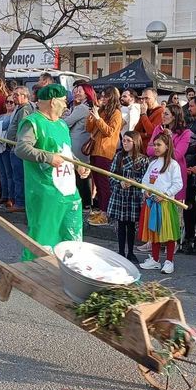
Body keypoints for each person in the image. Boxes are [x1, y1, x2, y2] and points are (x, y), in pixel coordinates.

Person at [14, 84, 84, 260]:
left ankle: (70, 270)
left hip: (68, 190)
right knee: (43, 236)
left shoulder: (61, 124)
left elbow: (65, 151)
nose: (66, 106)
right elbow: (21, 148)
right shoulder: (33, 122)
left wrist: (78, 164)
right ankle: (33, 271)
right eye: (63, 101)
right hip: (45, 191)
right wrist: (47, 157)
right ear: (53, 102)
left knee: (72, 235)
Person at [138, 131, 184, 274]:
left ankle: (169, 261)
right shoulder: (153, 164)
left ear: (167, 146)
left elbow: (178, 184)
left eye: (159, 145)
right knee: (154, 232)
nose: (156, 147)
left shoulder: (173, 165)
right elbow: (145, 181)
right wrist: (145, 191)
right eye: (154, 145)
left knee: (168, 232)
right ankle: (155, 260)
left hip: (164, 204)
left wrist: (166, 195)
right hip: (151, 203)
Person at [107, 131, 148, 263]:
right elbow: (111, 174)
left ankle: (130, 252)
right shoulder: (118, 156)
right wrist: (120, 182)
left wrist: (133, 182)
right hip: (120, 195)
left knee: (131, 226)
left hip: (133, 196)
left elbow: (145, 178)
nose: (125, 143)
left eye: (128, 141)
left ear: (135, 142)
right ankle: (120, 251)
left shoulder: (143, 159)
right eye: (123, 140)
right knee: (120, 224)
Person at [86, 87, 123, 226]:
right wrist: (91, 116)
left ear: (112, 97)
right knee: (97, 181)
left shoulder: (117, 113)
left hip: (105, 152)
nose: (103, 99)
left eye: (106, 96)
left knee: (104, 183)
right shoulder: (102, 110)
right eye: (102, 96)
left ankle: (105, 213)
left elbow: (110, 132)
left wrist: (98, 119)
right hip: (95, 150)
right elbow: (88, 128)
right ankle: (101, 210)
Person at [63, 83, 96, 210]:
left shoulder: (82, 108)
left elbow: (67, 123)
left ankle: (85, 203)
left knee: (81, 174)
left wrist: (61, 117)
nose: (76, 93)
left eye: (80, 91)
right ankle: (87, 203)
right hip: (83, 141)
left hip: (77, 143)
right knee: (84, 173)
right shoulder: (88, 107)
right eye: (75, 90)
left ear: (87, 92)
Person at [4, 86, 35, 213]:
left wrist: (17, 144)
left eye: (17, 95)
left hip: (18, 148)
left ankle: (20, 202)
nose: (14, 97)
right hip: (16, 147)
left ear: (24, 96)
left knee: (19, 176)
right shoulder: (21, 108)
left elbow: (22, 129)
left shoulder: (25, 109)